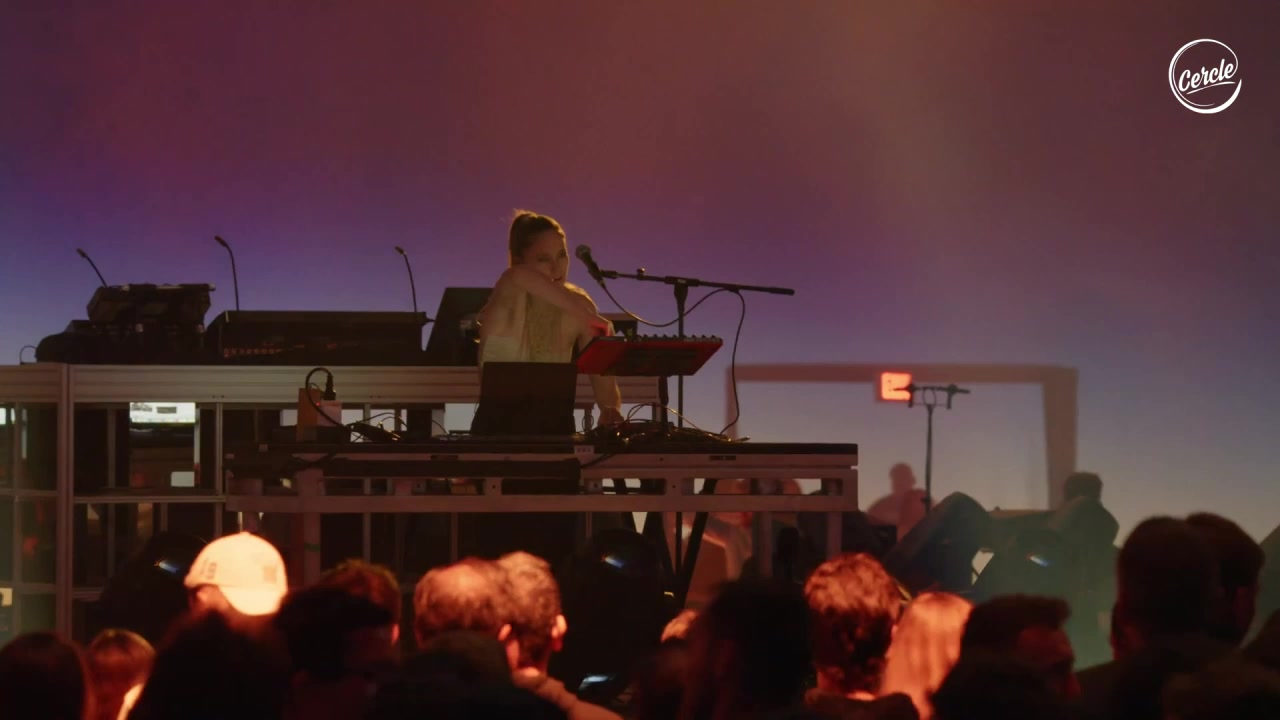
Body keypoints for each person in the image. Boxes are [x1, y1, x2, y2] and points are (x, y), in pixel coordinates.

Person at [475, 210, 623, 430]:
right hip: (499, 429)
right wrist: (586, 316)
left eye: (562, 255)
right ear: (519, 260)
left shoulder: (579, 303)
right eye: (544, 259)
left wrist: (610, 408)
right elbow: (518, 276)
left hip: (557, 426)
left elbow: (603, 379)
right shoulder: (508, 291)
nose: (557, 267)